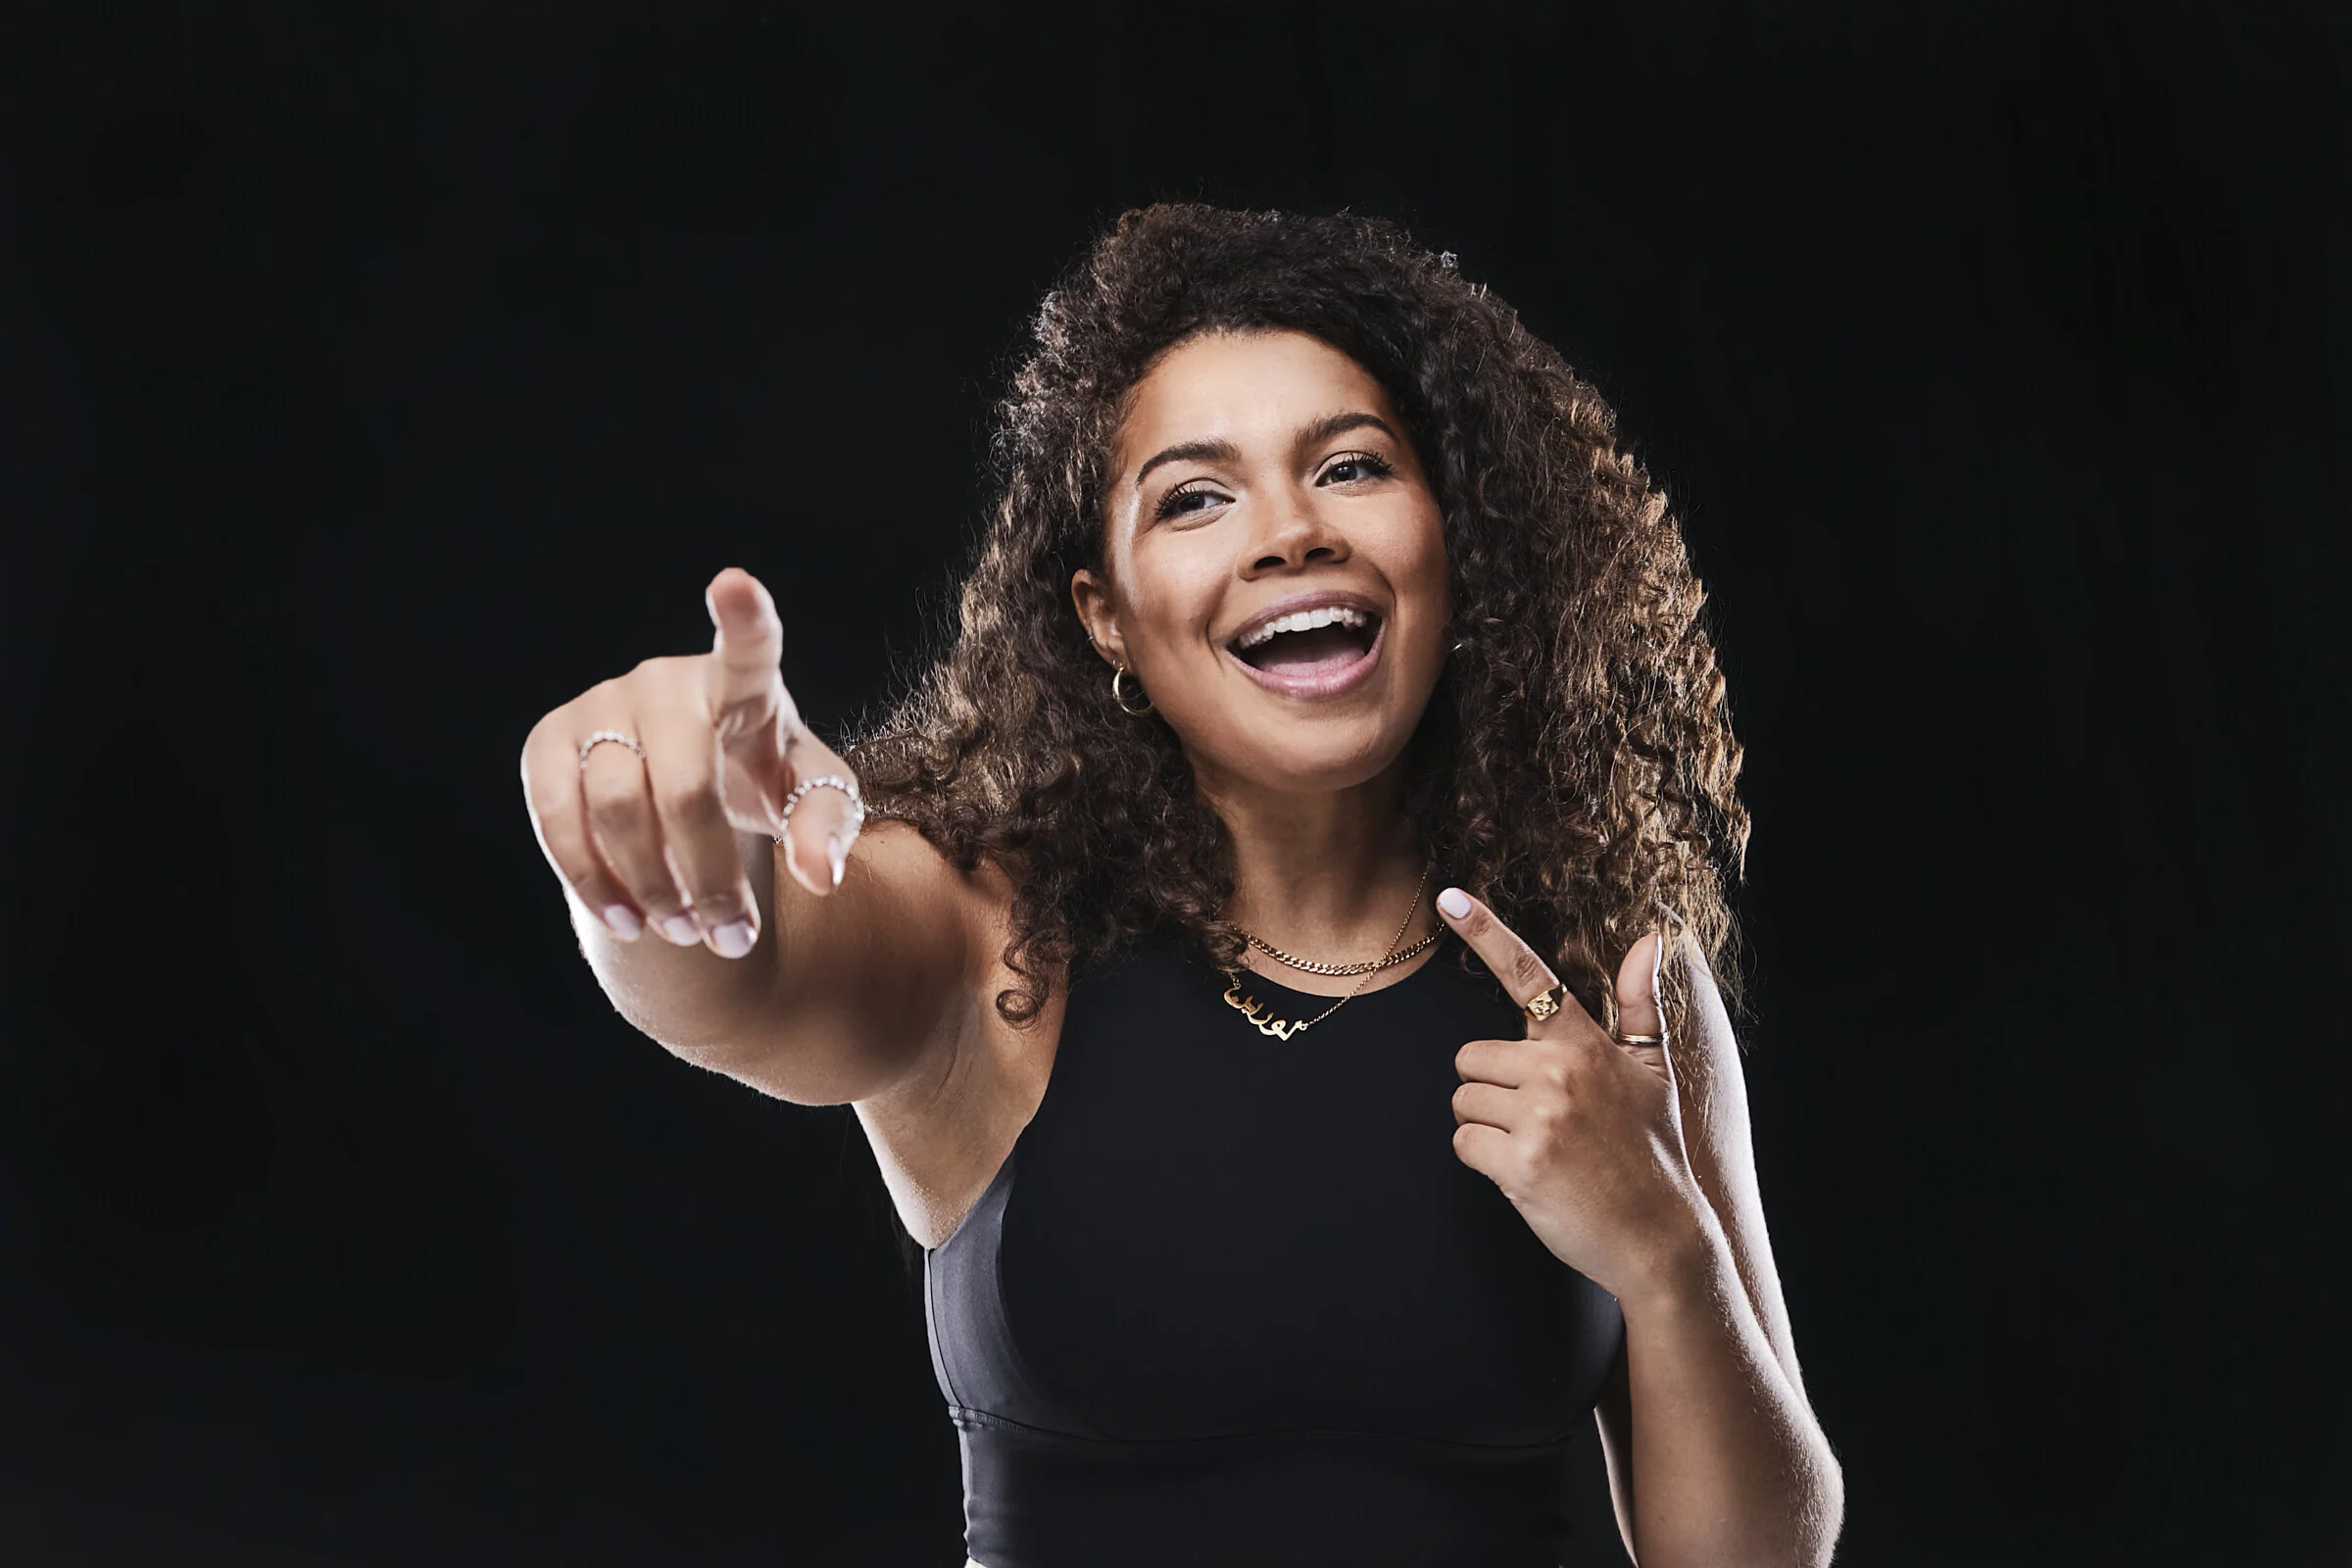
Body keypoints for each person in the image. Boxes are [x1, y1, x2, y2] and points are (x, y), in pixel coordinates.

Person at [519, 204, 1843, 1568]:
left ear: (1455, 543)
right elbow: (734, 974)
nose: (1290, 532)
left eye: (1351, 467)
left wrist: (1668, 1256)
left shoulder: (1604, 982)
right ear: (1107, 617)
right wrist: (659, 831)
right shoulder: (989, 942)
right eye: (1197, 497)